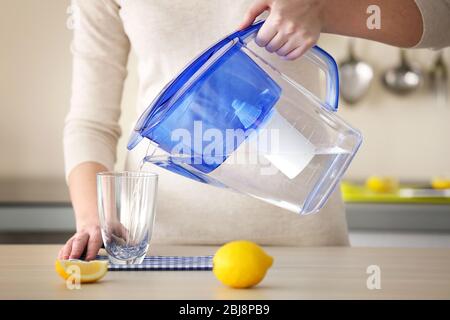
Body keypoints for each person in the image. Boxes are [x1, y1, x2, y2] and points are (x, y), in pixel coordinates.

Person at [59, 0, 450, 260]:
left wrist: (322, 8)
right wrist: (94, 220)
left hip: (304, 244)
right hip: (162, 246)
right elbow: (90, 121)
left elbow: (440, 20)